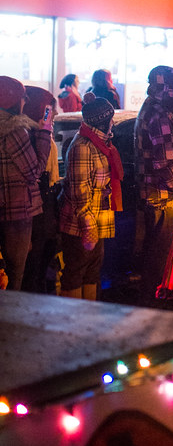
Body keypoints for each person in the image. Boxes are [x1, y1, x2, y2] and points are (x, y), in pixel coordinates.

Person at [134, 66, 173, 304]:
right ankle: (154, 303)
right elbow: (165, 165)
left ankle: (155, 299)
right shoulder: (160, 116)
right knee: (160, 254)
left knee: (156, 252)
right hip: (164, 196)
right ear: (166, 86)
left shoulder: (153, 109)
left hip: (154, 194)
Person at [59, 96, 123, 300]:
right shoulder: (83, 146)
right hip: (82, 224)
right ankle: (72, 322)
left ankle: (88, 320)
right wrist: (88, 226)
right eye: (110, 118)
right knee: (76, 271)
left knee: (92, 272)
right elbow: (80, 190)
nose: (112, 122)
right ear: (102, 121)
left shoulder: (100, 143)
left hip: (97, 219)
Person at [0, 76, 52, 289]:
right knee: (15, 273)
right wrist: (45, 132)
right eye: (22, 98)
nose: (24, 102)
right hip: (17, 209)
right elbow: (34, 170)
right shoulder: (15, 131)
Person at [21, 87, 61, 294]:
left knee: (41, 262)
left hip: (44, 206)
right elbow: (38, 170)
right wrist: (45, 127)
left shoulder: (41, 134)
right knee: (33, 264)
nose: (54, 114)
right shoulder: (32, 136)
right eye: (49, 109)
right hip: (35, 209)